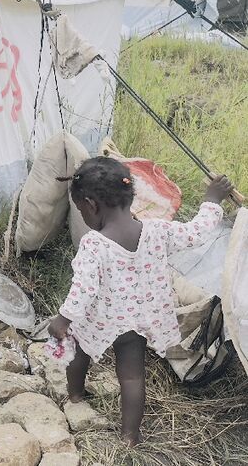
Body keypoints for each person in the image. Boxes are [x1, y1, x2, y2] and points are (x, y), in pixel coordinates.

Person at [48, 156, 234, 446]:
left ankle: (75, 396)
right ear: (129, 195)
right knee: (132, 378)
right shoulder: (159, 231)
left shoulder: (94, 244)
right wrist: (212, 200)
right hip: (137, 321)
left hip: (99, 319)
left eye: (81, 209)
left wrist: (63, 319)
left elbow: (82, 289)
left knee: (78, 350)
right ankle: (130, 437)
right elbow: (196, 233)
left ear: (92, 205)